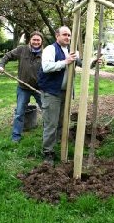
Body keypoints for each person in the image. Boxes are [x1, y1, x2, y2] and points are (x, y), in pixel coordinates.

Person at [38, 26, 101, 165]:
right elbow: (46, 67)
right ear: (57, 36)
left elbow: (82, 64)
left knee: (62, 123)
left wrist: (93, 62)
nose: (67, 37)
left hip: (65, 93)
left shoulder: (71, 51)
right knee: (51, 124)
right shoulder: (50, 49)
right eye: (65, 35)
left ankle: (62, 148)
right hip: (51, 92)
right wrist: (65, 62)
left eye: (69, 35)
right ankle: (47, 152)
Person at [0, 31, 43, 142]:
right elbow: (7, 56)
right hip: (23, 88)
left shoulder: (45, 53)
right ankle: (16, 137)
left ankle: (47, 136)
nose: (36, 42)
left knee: (47, 111)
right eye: (34, 39)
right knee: (19, 113)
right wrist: (1, 65)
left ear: (41, 42)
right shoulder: (22, 49)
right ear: (30, 40)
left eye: (38, 40)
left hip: (39, 89)